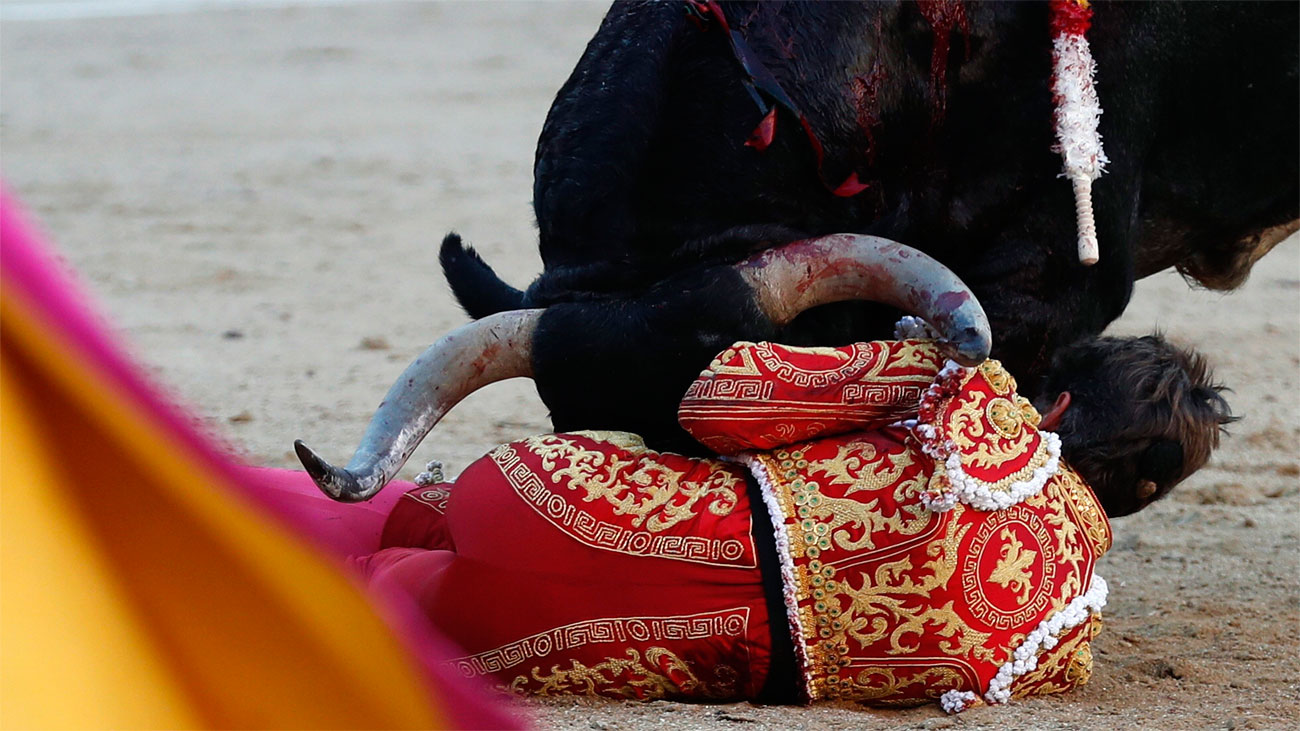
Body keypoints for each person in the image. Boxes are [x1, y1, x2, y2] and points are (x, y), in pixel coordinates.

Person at [324, 328, 1229, 712]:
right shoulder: (1064, 644)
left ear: (1060, 404)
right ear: (1143, 493)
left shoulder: (968, 400)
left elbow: (721, 402)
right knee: (358, 600)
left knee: (394, 523)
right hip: (564, 651)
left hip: (551, 502)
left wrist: (901, 357)